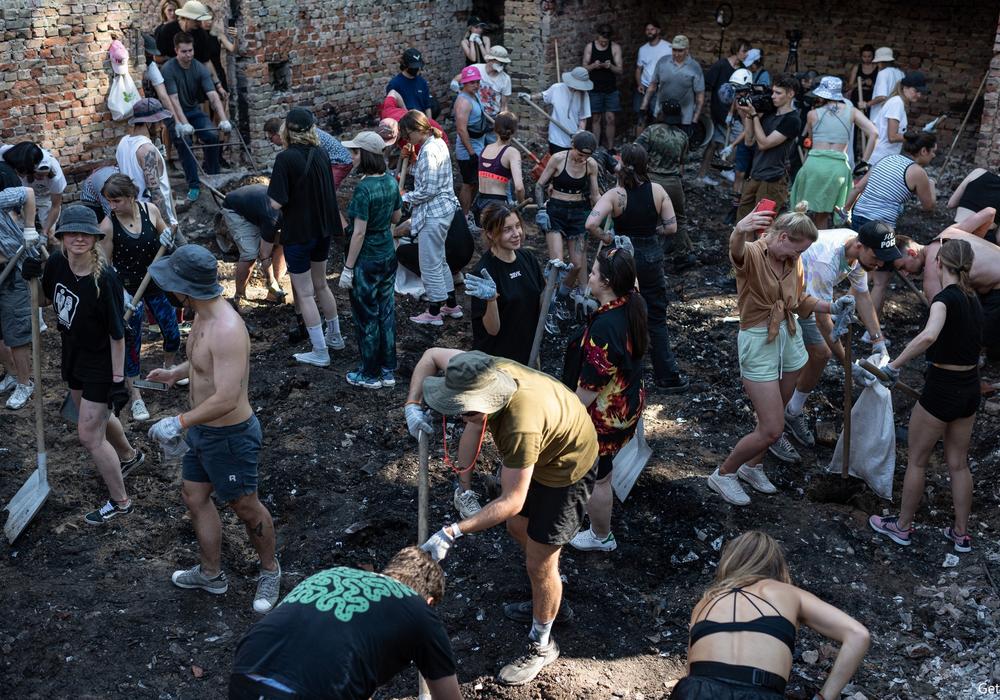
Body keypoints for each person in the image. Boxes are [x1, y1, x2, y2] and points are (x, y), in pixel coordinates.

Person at [408, 350, 598, 686]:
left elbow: (511, 499)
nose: (456, 414)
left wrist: (452, 531)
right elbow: (431, 356)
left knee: (539, 563)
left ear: (484, 403)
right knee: (518, 529)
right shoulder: (479, 368)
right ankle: (549, 597)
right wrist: (412, 404)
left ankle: (542, 642)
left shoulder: (520, 425)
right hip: (543, 447)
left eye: (462, 410)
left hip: (567, 466)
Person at [145, 244, 280, 613]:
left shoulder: (227, 329)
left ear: (186, 288)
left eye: (173, 283)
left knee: (245, 507)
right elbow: (203, 365)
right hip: (203, 433)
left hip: (231, 437)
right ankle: (211, 574)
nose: (169, 288)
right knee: (194, 496)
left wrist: (178, 421)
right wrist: (176, 372)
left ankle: (270, 570)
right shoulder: (202, 316)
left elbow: (227, 398)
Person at [706, 207, 854, 506]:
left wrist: (832, 307)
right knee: (773, 427)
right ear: (784, 237)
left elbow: (798, 302)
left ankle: (753, 467)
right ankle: (723, 473)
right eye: (799, 248)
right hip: (758, 339)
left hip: (788, 334)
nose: (800, 254)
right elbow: (736, 252)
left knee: (775, 416)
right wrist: (738, 229)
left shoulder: (793, 259)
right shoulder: (754, 254)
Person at [23, 206, 144, 524]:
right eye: (71, 232)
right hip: (73, 353)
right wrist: (32, 278)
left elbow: (118, 336)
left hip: (102, 362)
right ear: (60, 236)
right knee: (94, 420)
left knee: (90, 436)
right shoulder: (57, 263)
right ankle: (130, 456)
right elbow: (45, 302)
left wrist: (118, 382)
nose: (78, 238)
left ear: (94, 237)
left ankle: (120, 502)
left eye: (85, 233)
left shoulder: (106, 280)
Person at [869, 239, 982, 553]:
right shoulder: (974, 299)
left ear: (938, 264)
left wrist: (894, 365)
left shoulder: (943, 299)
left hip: (942, 388)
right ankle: (961, 535)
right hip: (970, 387)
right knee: (958, 464)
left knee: (917, 461)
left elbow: (930, 335)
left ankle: (902, 527)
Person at [229, 547, 461, 700]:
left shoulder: (331, 575)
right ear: (430, 601)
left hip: (246, 671)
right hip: (311, 690)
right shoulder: (419, 610)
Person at [671, 531, 870, 700]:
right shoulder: (788, 593)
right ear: (776, 565)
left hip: (697, 690)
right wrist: (824, 697)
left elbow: (692, 670)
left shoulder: (705, 601)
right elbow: (858, 634)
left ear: (730, 560)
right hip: (759, 691)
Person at [781, 222, 897, 450]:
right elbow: (824, 323)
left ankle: (792, 411)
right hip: (786, 289)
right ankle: (773, 426)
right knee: (802, 355)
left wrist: (878, 342)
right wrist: (849, 367)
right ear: (860, 245)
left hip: (807, 290)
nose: (880, 263)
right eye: (877, 256)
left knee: (819, 353)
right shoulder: (827, 260)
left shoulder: (859, 253)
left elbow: (862, 296)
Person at [585, 143, 688, 393]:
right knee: (655, 313)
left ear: (621, 164)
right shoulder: (658, 191)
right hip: (651, 257)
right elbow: (672, 227)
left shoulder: (615, 195)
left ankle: (621, 370)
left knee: (620, 311)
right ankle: (667, 375)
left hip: (622, 257)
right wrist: (655, 230)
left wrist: (607, 238)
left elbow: (591, 224)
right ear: (646, 165)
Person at [566, 245, 647, 552]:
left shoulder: (605, 327)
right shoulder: (632, 302)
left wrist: (562, 417)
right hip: (628, 403)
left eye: (596, 272)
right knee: (603, 468)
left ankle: (601, 536)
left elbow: (588, 391)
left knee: (599, 478)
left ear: (608, 283)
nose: (591, 274)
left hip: (605, 416)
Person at [267, 107, 345, 367]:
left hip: (299, 233)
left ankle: (320, 351)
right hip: (322, 231)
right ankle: (335, 337)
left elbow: (276, 203)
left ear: (286, 131)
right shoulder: (322, 153)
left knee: (305, 293)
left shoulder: (285, 159)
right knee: (321, 285)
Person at [97, 174, 178, 422]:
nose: (112, 206)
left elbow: (167, 234)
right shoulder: (108, 225)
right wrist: (119, 293)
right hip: (129, 291)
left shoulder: (150, 210)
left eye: (117, 200)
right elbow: (104, 267)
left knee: (172, 332)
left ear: (131, 197)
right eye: (109, 201)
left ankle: (169, 369)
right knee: (132, 346)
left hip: (157, 283)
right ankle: (137, 397)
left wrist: (168, 237)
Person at [338, 131, 402, 389]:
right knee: (386, 311)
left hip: (367, 260)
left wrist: (348, 267)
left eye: (355, 152)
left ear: (366, 155)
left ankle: (370, 374)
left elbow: (359, 232)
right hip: (387, 254)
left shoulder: (364, 188)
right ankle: (388, 369)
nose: (352, 156)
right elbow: (397, 217)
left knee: (366, 316)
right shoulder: (389, 181)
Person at [851, 131, 937, 314]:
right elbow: (929, 206)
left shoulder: (887, 158)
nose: (934, 156)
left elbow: (859, 186)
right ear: (923, 151)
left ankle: (844, 313)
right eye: (933, 152)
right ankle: (870, 332)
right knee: (881, 281)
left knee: (862, 269)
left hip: (859, 215)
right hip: (880, 226)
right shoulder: (918, 172)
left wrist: (845, 209)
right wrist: (931, 184)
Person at [893, 223, 1000, 361]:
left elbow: (940, 314)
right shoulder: (947, 233)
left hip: (996, 288)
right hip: (991, 285)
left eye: (903, 267)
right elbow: (988, 213)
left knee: (974, 336)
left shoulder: (933, 263)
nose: (905, 274)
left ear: (912, 253)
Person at [398, 110, 462, 326]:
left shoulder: (428, 151)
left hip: (434, 213)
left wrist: (406, 197)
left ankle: (434, 311)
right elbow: (426, 174)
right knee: (439, 259)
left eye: (408, 135)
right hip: (443, 209)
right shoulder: (436, 142)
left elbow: (428, 189)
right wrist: (412, 160)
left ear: (418, 129)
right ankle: (451, 305)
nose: (408, 140)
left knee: (429, 263)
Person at [791, 77, 878, 228]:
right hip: (837, 169)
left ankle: (799, 245)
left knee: (801, 212)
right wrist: (864, 161)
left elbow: (810, 141)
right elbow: (874, 133)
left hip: (814, 165)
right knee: (823, 214)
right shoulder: (852, 112)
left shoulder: (812, 114)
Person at [468, 202, 544, 366]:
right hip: (499, 361)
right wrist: (491, 300)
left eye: (517, 226)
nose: (516, 233)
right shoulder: (483, 273)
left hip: (527, 352)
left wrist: (555, 282)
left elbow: (540, 303)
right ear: (490, 234)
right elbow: (492, 330)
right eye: (507, 229)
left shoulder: (528, 259)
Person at [161, 31, 232, 201]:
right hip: (174, 114)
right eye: (184, 51)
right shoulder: (168, 69)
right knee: (185, 142)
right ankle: (193, 184)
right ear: (176, 51)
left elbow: (213, 95)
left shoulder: (199, 67)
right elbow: (174, 100)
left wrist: (223, 119)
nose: (188, 55)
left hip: (193, 110)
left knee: (213, 135)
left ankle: (214, 176)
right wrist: (184, 124)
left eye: (190, 50)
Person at [534, 131, 600, 311]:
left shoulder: (591, 165)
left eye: (587, 156)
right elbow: (539, 185)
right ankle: (549, 303)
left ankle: (562, 295)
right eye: (580, 154)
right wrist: (541, 209)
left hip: (578, 214)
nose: (582, 159)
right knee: (558, 263)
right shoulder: (558, 159)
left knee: (577, 265)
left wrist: (604, 213)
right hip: (556, 212)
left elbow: (595, 195)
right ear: (573, 147)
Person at [734, 73, 802, 219]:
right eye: (773, 92)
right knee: (743, 221)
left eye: (778, 93)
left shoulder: (792, 120)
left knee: (761, 226)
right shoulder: (769, 113)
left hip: (773, 180)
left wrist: (754, 116)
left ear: (790, 94)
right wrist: (749, 115)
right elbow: (749, 141)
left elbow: (764, 144)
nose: (773, 96)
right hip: (755, 175)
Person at [0, 165, 38, 411]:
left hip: (12, 271)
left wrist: (29, 228)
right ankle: (12, 374)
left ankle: (25, 382)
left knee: (15, 333)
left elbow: (28, 193)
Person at [637, 100, 691, 262]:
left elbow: (636, 152)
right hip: (673, 182)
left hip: (652, 181)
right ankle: (683, 255)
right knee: (679, 219)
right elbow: (682, 164)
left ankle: (647, 253)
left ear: (662, 114)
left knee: (648, 217)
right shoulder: (683, 136)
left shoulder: (651, 131)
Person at [219, 184, 286, 308]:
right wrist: (270, 279)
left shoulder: (295, 211)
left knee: (284, 242)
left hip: (257, 207)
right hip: (236, 210)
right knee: (250, 253)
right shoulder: (272, 217)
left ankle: (274, 293)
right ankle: (239, 297)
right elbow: (264, 255)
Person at [115, 97, 179, 228]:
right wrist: (166, 226)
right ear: (148, 123)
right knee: (184, 248)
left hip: (136, 216)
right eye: (159, 122)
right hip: (156, 219)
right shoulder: (147, 150)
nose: (162, 126)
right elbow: (155, 193)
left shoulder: (123, 143)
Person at [697, 38, 751, 186]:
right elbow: (707, 85)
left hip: (734, 112)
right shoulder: (721, 65)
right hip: (719, 111)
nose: (746, 54)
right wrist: (706, 109)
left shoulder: (742, 68)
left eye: (747, 51)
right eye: (744, 51)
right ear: (736, 50)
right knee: (735, 140)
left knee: (717, 143)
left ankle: (725, 168)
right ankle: (707, 174)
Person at [0, 141, 66, 242]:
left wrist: (44, 232)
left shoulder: (56, 178)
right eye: (38, 175)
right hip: (22, 196)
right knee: (17, 227)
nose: (41, 178)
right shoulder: (13, 154)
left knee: (50, 234)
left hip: (45, 197)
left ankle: (53, 252)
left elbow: (55, 206)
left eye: (44, 175)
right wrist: (29, 229)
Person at [263, 117, 354, 189]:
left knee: (325, 196)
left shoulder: (295, 137)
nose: (271, 142)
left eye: (271, 138)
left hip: (339, 162)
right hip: (330, 162)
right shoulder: (294, 133)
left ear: (278, 133)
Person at [641, 35, 704, 137]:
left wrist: (695, 120)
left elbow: (700, 96)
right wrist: (643, 107)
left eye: (680, 51)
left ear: (687, 50)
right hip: (662, 112)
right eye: (674, 50)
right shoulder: (663, 62)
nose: (677, 54)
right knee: (658, 142)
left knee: (679, 146)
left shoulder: (694, 67)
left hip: (684, 115)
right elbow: (653, 85)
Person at [473, 111, 525, 224]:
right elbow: (519, 187)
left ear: (495, 129)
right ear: (514, 131)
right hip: (497, 206)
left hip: (480, 203)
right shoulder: (512, 152)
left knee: (487, 239)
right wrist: (521, 204)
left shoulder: (485, 149)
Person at [526, 67, 593, 155]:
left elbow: (583, 118)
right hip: (556, 137)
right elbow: (543, 95)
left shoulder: (584, 96)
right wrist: (530, 97)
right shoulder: (557, 88)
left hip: (573, 138)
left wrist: (579, 133)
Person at [869, 71, 929, 166]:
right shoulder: (897, 103)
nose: (919, 95)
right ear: (905, 88)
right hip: (881, 158)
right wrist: (916, 136)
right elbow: (892, 137)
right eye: (916, 91)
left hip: (885, 157)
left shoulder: (898, 102)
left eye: (920, 92)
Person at [454, 65, 488, 216]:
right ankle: (464, 217)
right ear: (464, 83)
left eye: (477, 82)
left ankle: (467, 215)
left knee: (475, 182)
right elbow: (461, 129)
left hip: (476, 146)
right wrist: (472, 153)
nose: (476, 85)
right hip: (468, 151)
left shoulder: (474, 96)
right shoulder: (463, 102)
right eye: (472, 82)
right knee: (468, 184)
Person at [449, 45, 513, 125]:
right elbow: (457, 79)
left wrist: (502, 121)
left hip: (492, 118)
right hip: (473, 115)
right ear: (491, 60)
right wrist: (455, 84)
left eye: (504, 63)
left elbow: (504, 105)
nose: (502, 65)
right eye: (500, 62)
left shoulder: (505, 79)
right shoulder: (476, 69)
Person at [583, 24, 623, 150]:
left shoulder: (615, 47)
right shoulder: (590, 47)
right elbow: (583, 68)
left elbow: (620, 70)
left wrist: (610, 66)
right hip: (594, 88)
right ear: (598, 36)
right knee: (596, 118)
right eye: (601, 41)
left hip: (610, 89)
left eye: (606, 42)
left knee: (610, 118)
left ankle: (610, 148)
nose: (604, 43)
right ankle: (595, 147)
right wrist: (593, 66)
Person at [634, 21, 673, 127]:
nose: (649, 32)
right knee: (640, 114)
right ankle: (639, 142)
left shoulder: (668, 47)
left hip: (660, 88)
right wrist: (639, 84)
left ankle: (654, 140)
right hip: (645, 86)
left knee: (657, 116)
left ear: (658, 31)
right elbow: (638, 69)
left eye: (652, 29)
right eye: (647, 30)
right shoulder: (642, 49)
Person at [948, 168, 1000, 239]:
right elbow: (998, 237)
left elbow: (951, 203)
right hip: (983, 239)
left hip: (956, 229)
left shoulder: (978, 172)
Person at [387, 48, 433, 119]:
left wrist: (430, 124)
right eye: (414, 67)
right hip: (404, 123)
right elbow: (392, 110)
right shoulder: (394, 84)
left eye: (418, 66)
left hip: (421, 123)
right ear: (405, 65)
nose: (417, 69)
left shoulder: (422, 82)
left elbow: (427, 107)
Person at [867, 46, 904, 126]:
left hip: (880, 116)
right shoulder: (900, 73)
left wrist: (866, 104)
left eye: (877, 62)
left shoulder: (883, 73)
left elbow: (882, 97)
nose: (877, 65)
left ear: (881, 62)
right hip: (895, 115)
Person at [845, 44, 879, 114]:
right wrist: (862, 82)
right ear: (861, 56)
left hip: (871, 97)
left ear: (873, 56)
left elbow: (880, 87)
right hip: (857, 96)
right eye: (864, 56)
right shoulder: (857, 67)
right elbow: (849, 87)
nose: (867, 59)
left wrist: (872, 84)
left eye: (869, 56)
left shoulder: (878, 68)